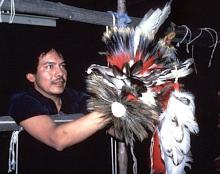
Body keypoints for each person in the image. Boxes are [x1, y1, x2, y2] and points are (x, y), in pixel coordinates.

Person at [7, 48, 112, 174]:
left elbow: (115, 129)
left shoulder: (76, 97)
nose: (59, 73)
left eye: (62, 66)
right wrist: (113, 109)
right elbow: (57, 139)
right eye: (49, 66)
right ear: (31, 76)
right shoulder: (23, 100)